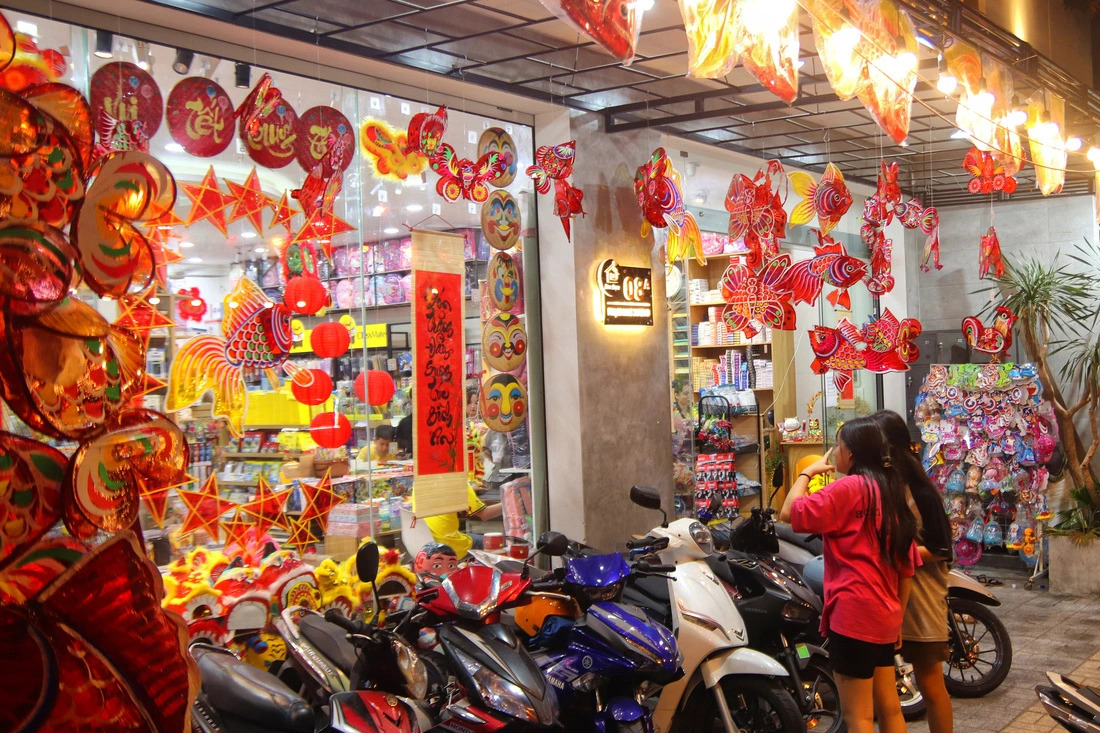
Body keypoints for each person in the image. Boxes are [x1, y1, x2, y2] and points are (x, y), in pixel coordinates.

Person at [779, 416, 920, 733]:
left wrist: (805, 472)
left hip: (854, 615)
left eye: (838, 446)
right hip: (885, 614)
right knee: (890, 709)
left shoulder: (846, 489)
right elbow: (907, 565)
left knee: (857, 716)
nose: (835, 452)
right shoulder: (889, 489)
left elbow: (788, 512)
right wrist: (897, 617)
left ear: (852, 454)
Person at [872, 410, 954, 733]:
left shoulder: (920, 492)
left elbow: (942, 549)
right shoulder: (887, 484)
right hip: (892, 597)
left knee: (930, 682)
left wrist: (899, 555)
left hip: (922, 597)